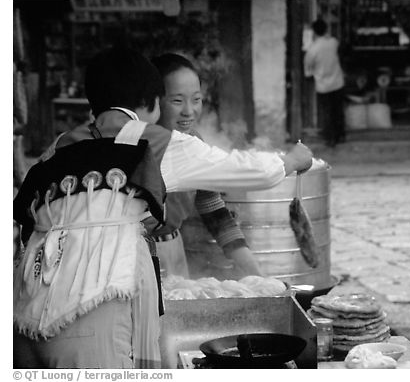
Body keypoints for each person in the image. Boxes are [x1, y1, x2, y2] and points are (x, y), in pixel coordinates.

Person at [12, 46, 313, 368]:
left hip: (21, 319)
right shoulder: (155, 142)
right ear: (152, 102)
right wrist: (294, 160)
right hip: (88, 318)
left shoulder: (59, 146)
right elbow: (246, 170)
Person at [149, 52, 261, 279]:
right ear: (153, 101)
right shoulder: (142, 145)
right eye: (177, 101)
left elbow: (212, 207)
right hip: (141, 255)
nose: (189, 111)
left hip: (174, 250)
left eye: (197, 99)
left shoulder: (194, 142)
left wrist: (255, 273)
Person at [304, 18, 346, 147]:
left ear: (314, 32)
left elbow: (308, 69)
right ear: (326, 29)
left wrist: (310, 74)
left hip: (323, 85)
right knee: (338, 110)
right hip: (338, 82)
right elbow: (336, 45)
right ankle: (340, 135)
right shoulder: (333, 42)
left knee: (327, 112)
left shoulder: (313, 49)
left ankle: (330, 138)